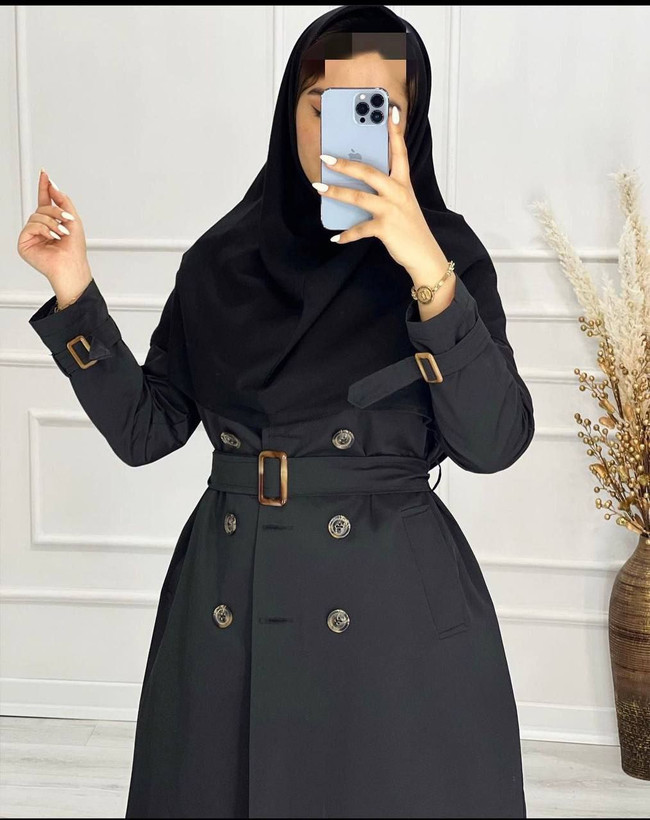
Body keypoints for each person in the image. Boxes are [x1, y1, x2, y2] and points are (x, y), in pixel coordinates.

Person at [17, 5, 534, 818]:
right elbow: (148, 431)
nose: (343, 135)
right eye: (323, 105)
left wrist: (426, 271)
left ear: (412, 123)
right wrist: (73, 289)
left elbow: (495, 443)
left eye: (378, 110)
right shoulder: (220, 260)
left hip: (390, 613)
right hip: (233, 595)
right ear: (289, 112)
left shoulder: (446, 257)